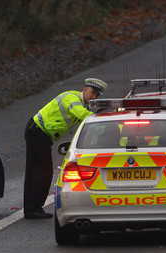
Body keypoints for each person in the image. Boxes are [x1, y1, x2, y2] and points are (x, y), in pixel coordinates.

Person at [24, 78, 108, 219]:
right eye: (93, 92)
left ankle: (31, 208)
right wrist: (101, 116)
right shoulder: (71, 98)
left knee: (35, 171)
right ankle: (34, 208)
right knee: (43, 171)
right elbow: (82, 115)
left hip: (40, 133)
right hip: (38, 131)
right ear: (85, 89)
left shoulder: (82, 104)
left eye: (97, 95)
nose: (94, 97)